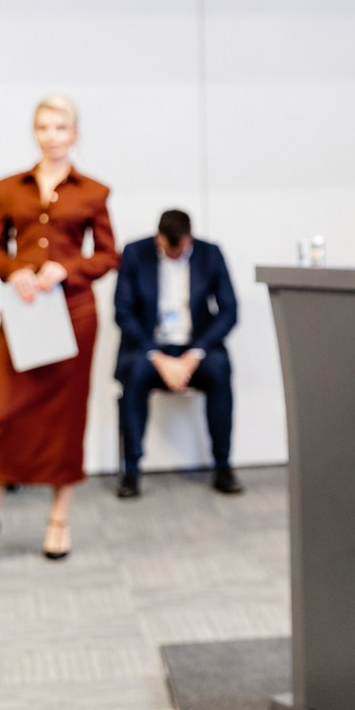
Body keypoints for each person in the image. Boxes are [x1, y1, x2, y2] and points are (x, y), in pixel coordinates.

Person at [0, 95, 118, 563]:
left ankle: (59, 521)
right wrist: (14, 270)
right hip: (24, 313)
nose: (51, 136)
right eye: (43, 127)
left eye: (60, 127)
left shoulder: (93, 192)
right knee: (4, 414)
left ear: (74, 134)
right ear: (34, 132)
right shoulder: (10, 188)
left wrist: (66, 269)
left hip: (74, 316)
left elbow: (108, 256)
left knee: (65, 418)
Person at [114, 209, 241, 497]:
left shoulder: (210, 254)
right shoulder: (135, 253)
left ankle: (223, 466)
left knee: (219, 369)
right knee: (134, 372)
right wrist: (157, 357)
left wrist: (194, 354)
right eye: (167, 247)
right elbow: (122, 311)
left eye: (179, 248)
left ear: (189, 238)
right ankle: (131, 470)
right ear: (157, 237)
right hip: (150, 347)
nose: (173, 253)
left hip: (195, 347)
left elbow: (229, 311)